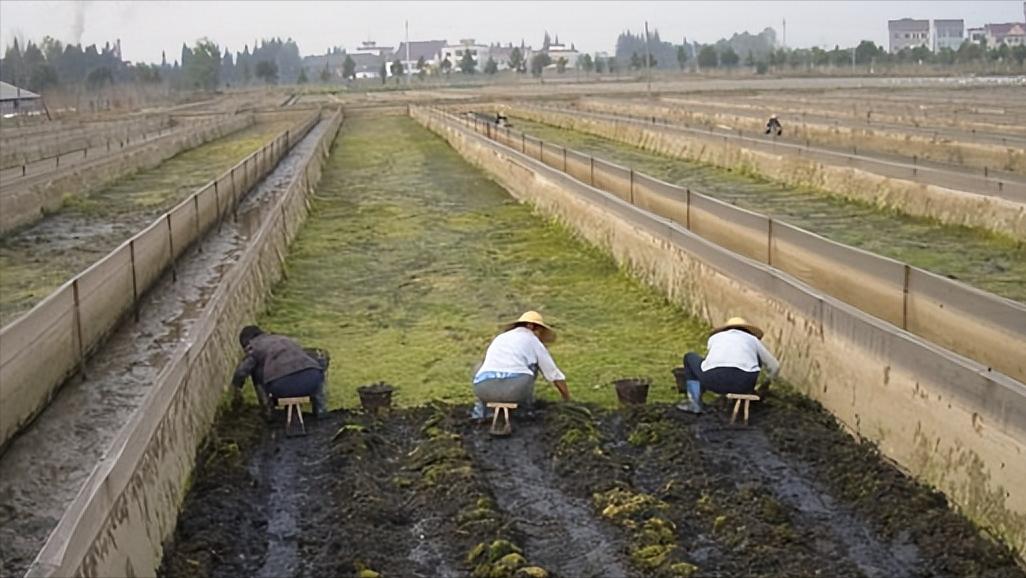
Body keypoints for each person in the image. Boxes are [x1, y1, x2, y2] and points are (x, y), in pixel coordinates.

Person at [471, 311, 571, 420]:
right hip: (515, 390)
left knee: (481, 366)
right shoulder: (533, 340)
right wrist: (567, 398)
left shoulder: (500, 338)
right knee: (532, 366)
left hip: (484, 390)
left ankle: (480, 413)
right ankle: (525, 410)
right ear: (531, 326)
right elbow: (553, 374)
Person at [678, 317, 779, 414]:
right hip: (744, 384)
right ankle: (749, 392)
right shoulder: (753, 340)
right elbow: (774, 366)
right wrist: (766, 383)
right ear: (747, 331)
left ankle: (695, 403)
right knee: (754, 359)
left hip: (712, 380)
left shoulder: (715, 338)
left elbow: (712, 358)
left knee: (689, 357)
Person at [231, 325, 328, 418]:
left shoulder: (254, 347)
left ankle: (268, 411)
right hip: (311, 381)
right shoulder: (285, 339)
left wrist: (236, 387)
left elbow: (241, 372)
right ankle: (320, 410)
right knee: (313, 370)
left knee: (256, 370)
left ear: (247, 342)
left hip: (281, 385)